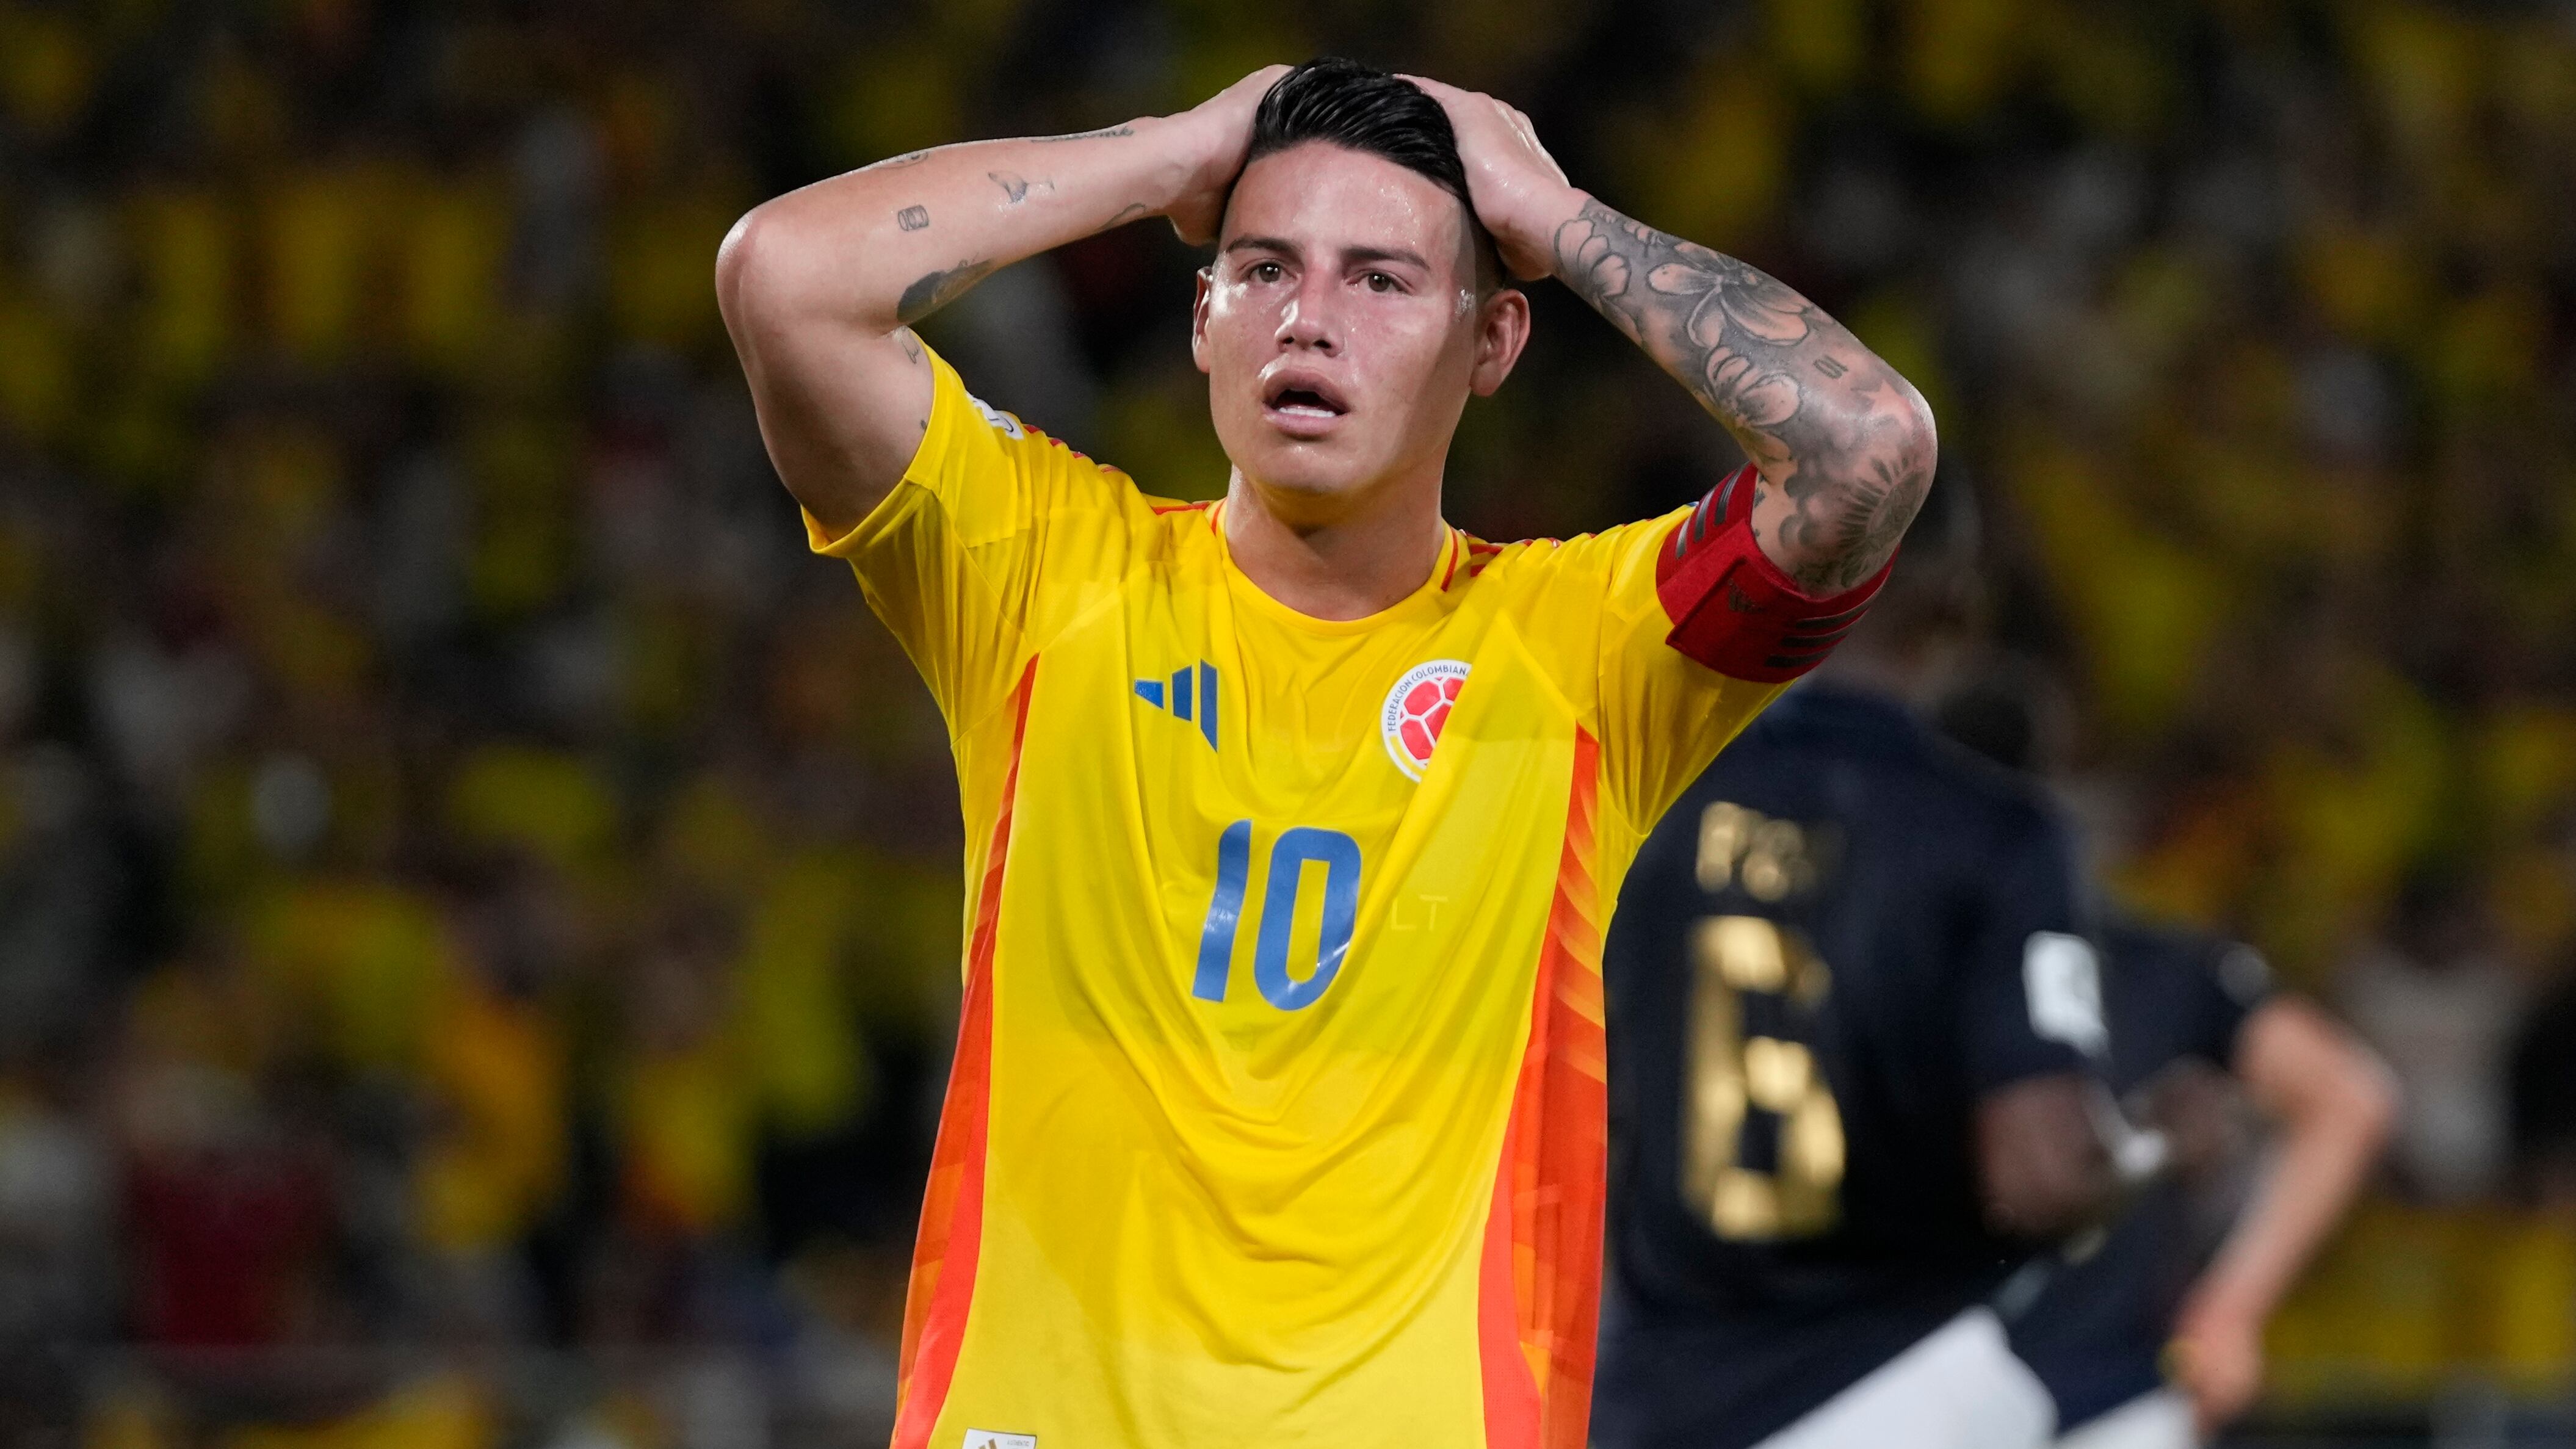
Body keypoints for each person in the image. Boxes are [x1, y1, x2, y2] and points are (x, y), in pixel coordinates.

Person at [716, 55, 1936, 1449]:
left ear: (1492, 345)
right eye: (1262, 270)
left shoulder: (1580, 648)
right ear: (1201, 317)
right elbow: (783, 278)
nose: (1308, 319)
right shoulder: (1046, 577)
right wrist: (1171, 154)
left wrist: (1553, 213)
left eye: (1379, 280)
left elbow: (1866, 451)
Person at [1594, 478, 2142, 1449]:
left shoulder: (1646, 800)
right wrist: (2141, 1153)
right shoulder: (1995, 833)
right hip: (1891, 1383)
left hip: (1653, 1392)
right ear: (1954, 607)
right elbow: (2042, 1170)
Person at [2010, 919, 2395, 1449]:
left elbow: (2348, 1100)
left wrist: (2228, 1311)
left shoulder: (2153, 967)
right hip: (1925, 1374)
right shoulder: (1897, 960)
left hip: (2107, 1394)